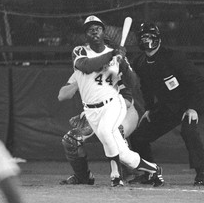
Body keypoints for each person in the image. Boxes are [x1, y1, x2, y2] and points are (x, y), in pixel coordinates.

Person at [58, 15, 164, 187]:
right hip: (92, 111)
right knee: (123, 154)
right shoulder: (80, 52)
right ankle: (153, 169)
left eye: (98, 27)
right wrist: (111, 55)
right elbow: (86, 66)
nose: (94, 30)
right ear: (85, 34)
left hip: (113, 105)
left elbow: (132, 84)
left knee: (107, 131)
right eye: (89, 28)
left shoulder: (116, 57)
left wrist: (123, 63)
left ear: (103, 32)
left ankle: (116, 176)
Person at [128, 22, 204, 186]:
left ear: (158, 39)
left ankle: (202, 173)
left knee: (189, 132)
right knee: (139, 136)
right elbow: (145, 87)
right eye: (143, 37)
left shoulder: (173, 57)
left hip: (187, 104)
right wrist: (148, 108)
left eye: (149, 36)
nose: (146, 39)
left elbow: (197, 82)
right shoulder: (140, 62)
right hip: (167, 107)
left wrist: (193, 108)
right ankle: (150, 173)